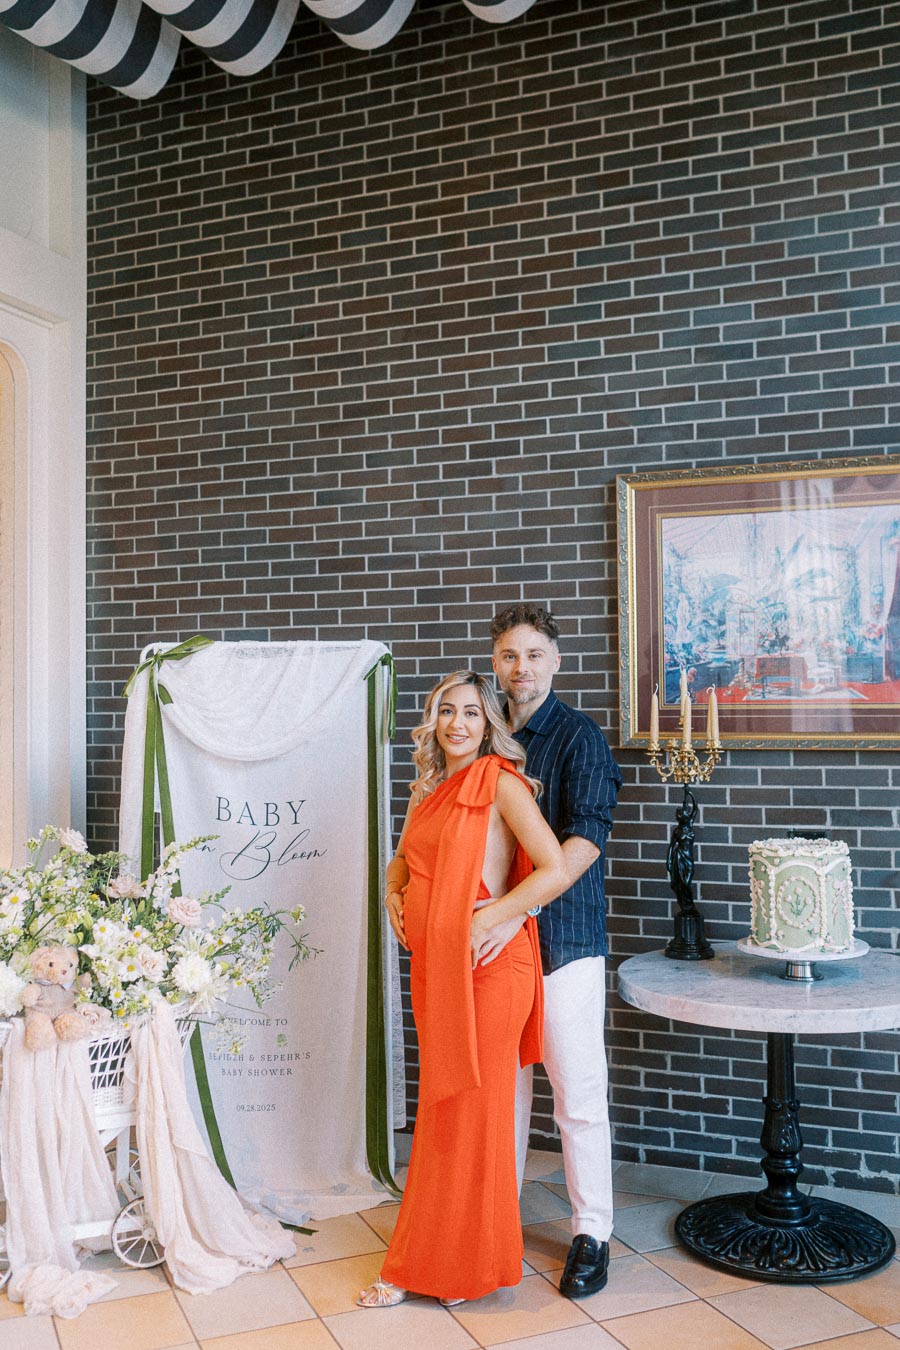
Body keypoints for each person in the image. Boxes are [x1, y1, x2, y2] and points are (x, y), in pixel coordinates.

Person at [358, 671, 568, 1308]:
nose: (457, 723)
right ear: (433, 720)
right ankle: (446, 1260)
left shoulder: (501, 783)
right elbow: (403, 860)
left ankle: (448, 1266)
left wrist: (490, 917)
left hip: (491, 969)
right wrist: (394, 893)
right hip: (439, 967)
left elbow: (555, 869)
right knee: (446, 1113)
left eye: (472, 713)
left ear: (488, 724)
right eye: (447, 711)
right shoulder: (429, 791)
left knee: (470, 1117)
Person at [486, 603, 622, 1300]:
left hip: (564, 940)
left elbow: (586, 840)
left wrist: (514, 908)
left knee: (578, 1096)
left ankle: (591, 1234)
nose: (522, 668)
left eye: (534, 654)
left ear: (556, 662)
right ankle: (495, 1222)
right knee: (504, 1096)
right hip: (498, 948)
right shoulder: (484, 735)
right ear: (496, 663)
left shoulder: (579, 736)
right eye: (510, 655)